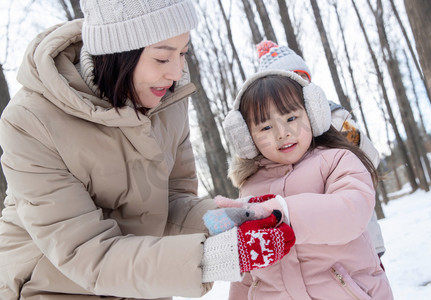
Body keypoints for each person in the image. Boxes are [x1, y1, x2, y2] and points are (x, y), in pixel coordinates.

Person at [0, 1, 295, 299]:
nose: (176, 72)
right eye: (162, 58)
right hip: (53, 286)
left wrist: (228, 221)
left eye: (183, 53)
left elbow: (172, 204)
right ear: (117, 54)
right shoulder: (30, 122)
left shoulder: (168, 98)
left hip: (143, 284)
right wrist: (214, 258)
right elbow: (85, 252)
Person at [210, 69, 393, 299]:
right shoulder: (250, 188)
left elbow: (350, 212)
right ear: (247, 138)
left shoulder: (336, 160)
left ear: (312, 115)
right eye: (266, 127)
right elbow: (249, 270)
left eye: (291, 118)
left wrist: (283, 213)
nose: (282, 133)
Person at [255, 40, 386, 257]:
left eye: (304, 78)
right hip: (313, 248)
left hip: (359, 235)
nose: (302, 87)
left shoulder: (334, 117)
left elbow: (370, 156)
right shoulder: (277, 138)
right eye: (293, 82)